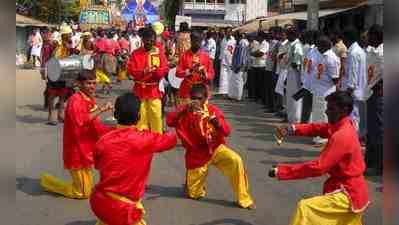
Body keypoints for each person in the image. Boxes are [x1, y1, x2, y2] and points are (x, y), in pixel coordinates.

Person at [269, 91, 369, 225]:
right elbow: (318, 128)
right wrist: (292, 128)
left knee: (305, 208)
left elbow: (318, 167)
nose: (326, 112)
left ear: (344, 110)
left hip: (347, 194)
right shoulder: (343, 125)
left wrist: (281, 171)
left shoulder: (342, 136)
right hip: (353, 191)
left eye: (331, 109)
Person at [90, 92, 177, 225]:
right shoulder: (146, 139)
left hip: (99, 202)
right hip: (123, 209)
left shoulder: (103, 140)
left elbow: (97, 165)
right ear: (139, 117)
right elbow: (171, 140)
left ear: (114, 116)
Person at [166, 84, 255, 210]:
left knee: (236, 160)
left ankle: (244, 198)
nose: (196, 102)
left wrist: (217, 123)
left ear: (205, 99)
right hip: (197, 154)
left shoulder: (213, 111)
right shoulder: (184, 111)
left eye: (199, 98)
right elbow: (169, 121)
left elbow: (227, 131)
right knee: (194, 194)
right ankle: (192, 184)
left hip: (215, 148)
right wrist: (185, 108)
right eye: (193, 98)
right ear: (190, 98)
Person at [40, 70, 114, 199]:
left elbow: (95, 125)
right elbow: (82, 121)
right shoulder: (75, 100)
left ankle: (73, 185)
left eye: (94, 83)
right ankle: (48, 182)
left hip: (86, 149)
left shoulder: (89, 98)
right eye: (88, 83)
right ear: (79, 84)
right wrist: (102, 109)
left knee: (87, 189)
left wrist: (113, 131)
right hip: (76, 150)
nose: (92, 86)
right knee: (83, 193)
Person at [127, 27, 168, 133]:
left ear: (155, 40)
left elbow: (164, 69)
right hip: (139, 90)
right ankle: (141, 139)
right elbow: (131, 70)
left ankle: (157, 139)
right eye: (147, 40)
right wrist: (143, 71)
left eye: (152, 40)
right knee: (141, 117)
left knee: (156, 116)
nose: (149, 42)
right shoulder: (135, 53)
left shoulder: (159, 53)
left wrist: (155, 71)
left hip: (154, 90)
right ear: (142, 39)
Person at [310, 36, 340, 146]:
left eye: (319, 46)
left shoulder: (331, 58)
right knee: (317, 114)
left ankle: (324, 138)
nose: (317, 48)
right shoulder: (322, 56)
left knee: (324, 114)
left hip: (326, 91)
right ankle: (318, 136)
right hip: (318, 90)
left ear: (325, 46)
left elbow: (335, 78)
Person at [341, 29, 367, 143]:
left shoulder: (353, 52)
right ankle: (356, 137)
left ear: (348, 39)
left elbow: (353, 72)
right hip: (359, 89)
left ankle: (353, 139)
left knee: (353, 116)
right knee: (357, 115)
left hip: (353, 89)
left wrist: (349, 89)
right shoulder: (358, 50)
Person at [364, 24, 383, 176]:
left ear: (376, 36)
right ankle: (369, 161)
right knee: (372, 130)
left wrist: (379, 86)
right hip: (370, 94)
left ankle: (379, 165)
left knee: (379, 131)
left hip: (379, 96)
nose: (367, 38)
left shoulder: (383, 53)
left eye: (369, 35)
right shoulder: (372, 51)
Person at [176, 31, 214, 105]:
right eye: (195, 40)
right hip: (187, 91)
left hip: (201, 92)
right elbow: (177, 73)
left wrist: (204, 73)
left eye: (199, 41)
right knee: (186, 114)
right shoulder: (184, 55)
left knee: (201, 115)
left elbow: (211, 74)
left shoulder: (206, 56)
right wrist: (189, 71)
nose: (197, 43)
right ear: (191, 41)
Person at [286, 26, 304, 123]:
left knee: (294, 96)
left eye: (288, 34)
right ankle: (291, 117)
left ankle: (295, 118)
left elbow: (297, 62)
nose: (287, 36)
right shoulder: (292, 44)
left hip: (295, 73)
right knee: (290, 95)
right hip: (291, 72)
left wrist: (292, 64)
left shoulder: (297, 45)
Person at [228, 32, 250, 101]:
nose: (235, 38)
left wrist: (239, 66)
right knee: (233, 81)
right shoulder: (239, 42)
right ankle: (233, 95)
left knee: (238, 82)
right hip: (235, 65)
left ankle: (238, 97)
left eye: (235, 37)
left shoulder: (243, 43)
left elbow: (242, 56)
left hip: (239, 66)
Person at [218, 28, 236, 97]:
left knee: (230, 76)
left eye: (229, 32)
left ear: (231, 32)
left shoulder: (234, 40)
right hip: (223, 60)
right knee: (223, 76)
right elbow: (222, 49)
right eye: (227, 32)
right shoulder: (223, 39)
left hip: (231, 60)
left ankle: (230, 91)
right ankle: (223, 92)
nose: (228, 33)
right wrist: (220, 57)